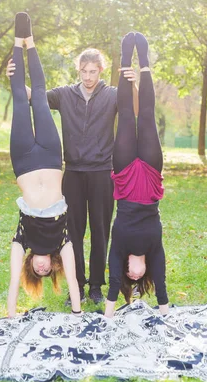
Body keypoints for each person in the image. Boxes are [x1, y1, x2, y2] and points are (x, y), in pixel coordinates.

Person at [8, 45, 136, 304]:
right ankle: (76, 285)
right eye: (84, 71)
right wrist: (15, 77)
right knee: (73, 234)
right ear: (78, 70)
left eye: (93, 71)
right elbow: (36, 97)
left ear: (100, 71)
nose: (88, 77)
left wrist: (136, 82)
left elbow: (135, 107)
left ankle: (97, 286)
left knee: (100, 232)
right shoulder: (65, 94)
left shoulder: (112, 95)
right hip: (73, 173)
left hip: (102, 172)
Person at [6, 12, 81, 318]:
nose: (41, 266)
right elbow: (74, 282)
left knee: (18, 97)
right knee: (38, 96)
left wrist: (10, 317)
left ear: (31, 267)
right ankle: (30, 41)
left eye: (36, 269)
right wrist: (77, 315)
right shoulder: (62, 241)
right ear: (53, 265)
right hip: (50, 156)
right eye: (46, 269)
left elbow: (12, 282)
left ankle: (16, 41)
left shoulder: (20, 239)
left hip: (23, 159)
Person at [104, 32, 169, 319]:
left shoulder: (119, 247)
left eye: (127, 274)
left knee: (127, 118)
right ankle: (144, 63)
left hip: (127, 180)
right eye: (135, 276)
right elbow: (163, 286)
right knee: (147, 116)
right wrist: (164, 311)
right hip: (151, 180)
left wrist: (109, 313)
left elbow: (113, 281)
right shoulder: (154, 252)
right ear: (143, 275)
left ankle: (123, 60)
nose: (132, 272)